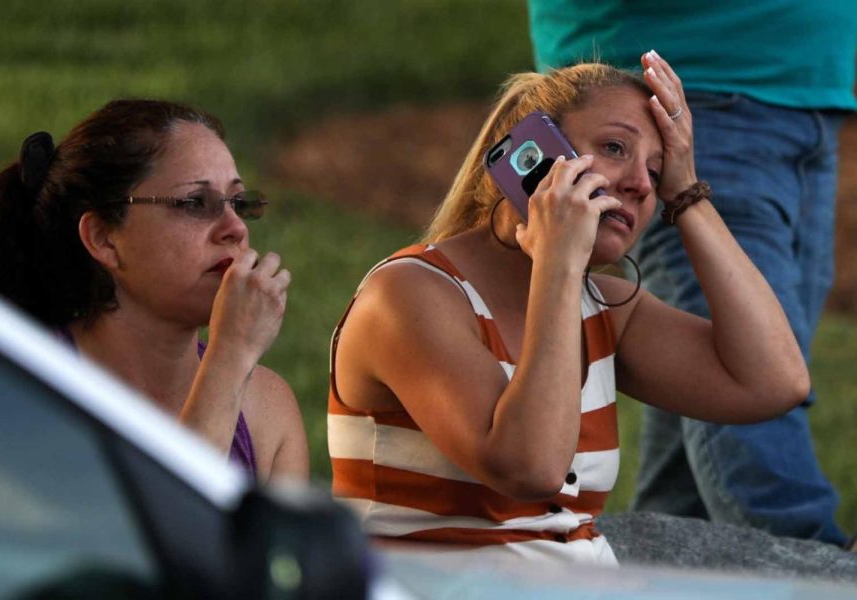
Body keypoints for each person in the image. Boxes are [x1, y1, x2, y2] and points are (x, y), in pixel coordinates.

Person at [326, 56, 809, 566]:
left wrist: (686, 194)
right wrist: (556, 263)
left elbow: (774, 382)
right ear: (530, 154)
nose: (641, 186)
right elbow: (529, 468)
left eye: (656, 171)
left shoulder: (604, 308)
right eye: (614, 148)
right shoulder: (408, 293)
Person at [527, 0, 856, 547]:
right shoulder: (421, 290)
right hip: (682, 88)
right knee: (742, 393)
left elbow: (774, 380)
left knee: (687, 479)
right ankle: (814, 560)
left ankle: (654, 572)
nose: (640, 185)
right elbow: (758, 387)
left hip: (806, 95)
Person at [0, 99, 308, 483]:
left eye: (238, 203)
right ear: (104, 238)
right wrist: (229, 359)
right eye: (195, 202)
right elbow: (139, 537)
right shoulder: (26, 395)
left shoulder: (266, 407)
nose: (235, 228)